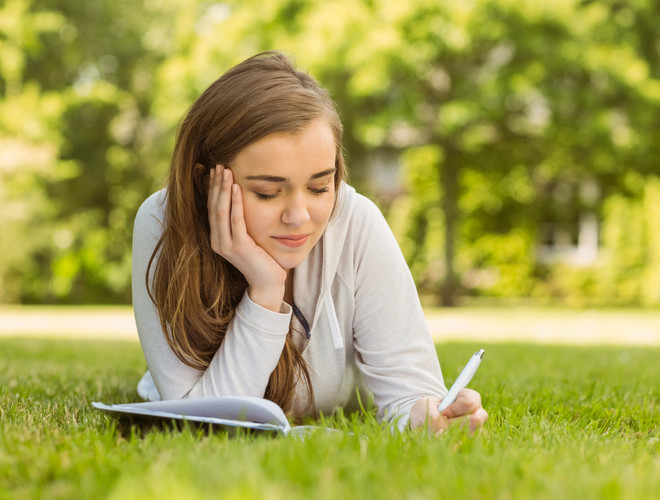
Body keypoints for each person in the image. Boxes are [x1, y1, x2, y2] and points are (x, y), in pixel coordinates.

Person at [132, 50, 487, 433]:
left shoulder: (355, 221)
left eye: (319, 187)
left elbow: (409, 393)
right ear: (207, 183)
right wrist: (266, 289)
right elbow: (204, 423)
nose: (299, 217)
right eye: (268, 192)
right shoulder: (162, 224)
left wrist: (431, 416)